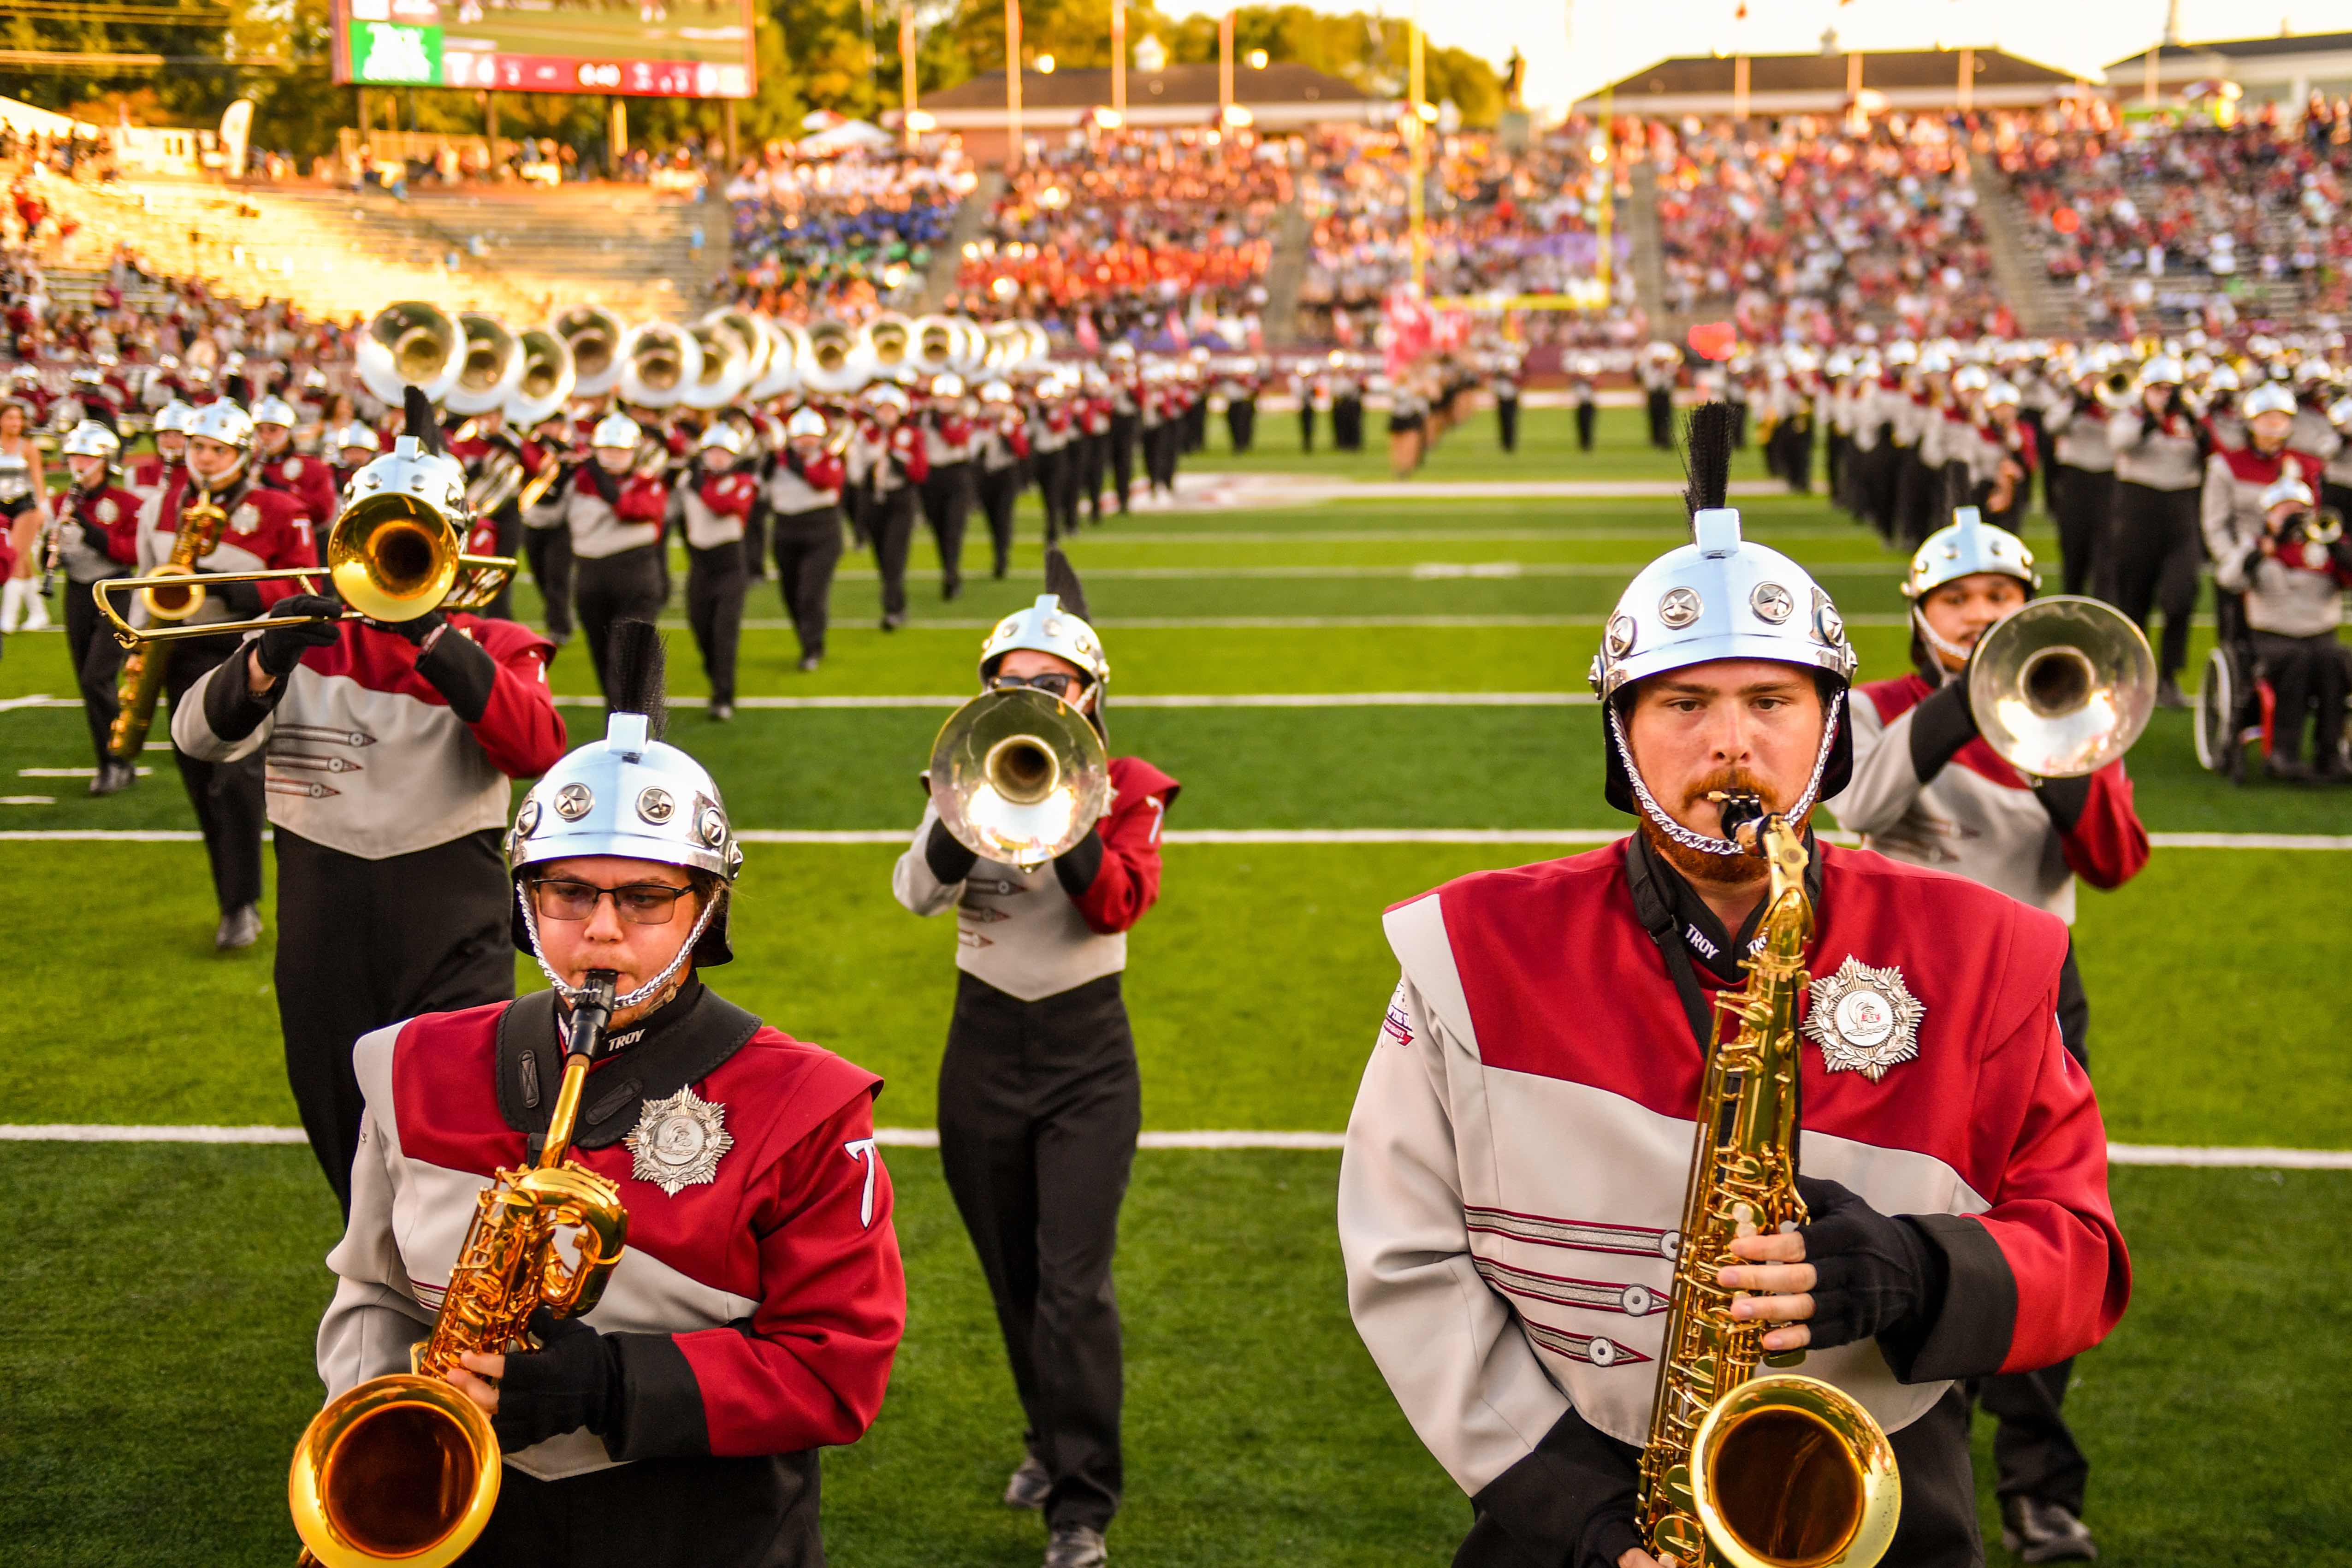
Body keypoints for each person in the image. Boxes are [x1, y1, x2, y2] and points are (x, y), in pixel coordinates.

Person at [1337, 410, 2130, 1568]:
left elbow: (2082, 1253)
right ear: (1620, 734)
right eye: (1681, 703)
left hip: (1877, 1490)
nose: (1728, 745)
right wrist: (1581, 1516)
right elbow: (1401, 1258)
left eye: (1769, 700)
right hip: (1572, 1503)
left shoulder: (1986, 948)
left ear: (1829, 730)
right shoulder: (1470, 944)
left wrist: (1915, 1271)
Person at [316, 629, 906, 1566]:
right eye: (564, 892)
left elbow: (839, 1369)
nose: (598, 928)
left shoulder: (810, 1104)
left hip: (699, 1522)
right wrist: (382, 1444)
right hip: (467, 1511)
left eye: (644, 896)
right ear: (522, 897)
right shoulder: (406, 1063)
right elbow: (374, 1288)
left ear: (707, 906)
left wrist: (613, 1383)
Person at [1828, 504, 2151, 1561]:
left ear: (2030, 610)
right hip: (1898, 998)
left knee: (2042, 1233)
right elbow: (1857, 807)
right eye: (1954, 601)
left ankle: (2038, 1484)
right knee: (1903, 1226)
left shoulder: (2077, 713)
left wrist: (2053, 742)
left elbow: (2111, 861)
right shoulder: (1877, 708)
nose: (1976, 614)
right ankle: (1898, 1464)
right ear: (1918, 617)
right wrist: (1970, 701)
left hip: (2032, 996)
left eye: (1998, 601)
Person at [173, 426, 568, 1212]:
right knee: (334, 1104)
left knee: (462, 1116)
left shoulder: (496, 642)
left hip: (452, 911)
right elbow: (198, 737)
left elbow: (538, 749)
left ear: (461, 543)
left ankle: (449, 1280)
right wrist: (263, 661)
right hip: (325, 906)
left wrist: (434, 639)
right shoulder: (298, 644)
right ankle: (375, 1272)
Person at [890, 553, 1180, 1568]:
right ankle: (1042, 1437)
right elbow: (913, 895)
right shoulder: (961, 770)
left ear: (1090, 694)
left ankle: (1082, 1500)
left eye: (1049, 687)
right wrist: (971, 814)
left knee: (1073, 1283)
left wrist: (1060, 808)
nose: (1029, 700)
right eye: (1009, 686)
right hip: (981, 1045)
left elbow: (1117, 903)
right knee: (1012, 1273)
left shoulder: (1130, 790)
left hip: (1085, 1053)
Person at [135, 399, 318, 949]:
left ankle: (242, 906)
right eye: (198, 448)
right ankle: (229, 896)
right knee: (197, 779)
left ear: (241, 454)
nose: (206, 459)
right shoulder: (163, 505)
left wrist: (231, 587)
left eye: (218, 450)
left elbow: (305, 585)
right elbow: (148, 580)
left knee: (235, 783)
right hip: (182, 651)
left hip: (248, 653)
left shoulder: (281, 507)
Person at [2212, 475, 2352, 781]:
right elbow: (2228, 579)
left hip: (2320, 635)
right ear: (2268, 515)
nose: (2293, 516)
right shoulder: (2254, 545)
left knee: (2334, 662)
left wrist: (2337, 552)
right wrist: (2263, 552)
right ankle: (2282, 753)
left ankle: (2330, 753)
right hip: (2271, 638)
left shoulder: (2324, 545)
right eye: (2284, 510)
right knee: (2295, 661)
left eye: (2298, 509)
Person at [47, 420, 143, 793]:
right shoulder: (62, 502)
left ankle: (119, 757)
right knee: (86, 683)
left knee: (97, 677)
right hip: (77, 591)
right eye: (74, 456)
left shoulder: (126, 502)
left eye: (86, 456)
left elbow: (127, 553)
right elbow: (51, 555)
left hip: (114, 590)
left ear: (104, 460)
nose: (78, 463)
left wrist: (85, 525)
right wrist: (50, 550)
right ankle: (109, 759)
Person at [2105, 358, 2206, 708]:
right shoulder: (2130, 416)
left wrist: (2191, 418)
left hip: (2181, 510)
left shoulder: (2190, 419)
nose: (2164, 395)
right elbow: (2120, 443)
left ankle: (2169, 677)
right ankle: (2131, 675)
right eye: (2158, 389)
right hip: (2138, 509)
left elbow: (2213, 450)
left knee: (2181, 594)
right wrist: (2153, 419)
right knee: (2134, 597)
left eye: (2169, 389)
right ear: (2145, 391)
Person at [557, 411, 670, 700]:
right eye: (607, 450)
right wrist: (559, 477)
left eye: (621, 451)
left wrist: (593, 470)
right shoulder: (579, 481)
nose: (614, 457)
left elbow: (629, 509)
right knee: (601, 657)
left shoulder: (649, 483)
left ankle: (628, 728)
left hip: (634, 575)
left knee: (627, 662)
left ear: (634, 452)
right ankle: (617, 720)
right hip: (589, 575)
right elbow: (543, 517)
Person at [2201, 382, 2323, 649]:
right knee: (2238, 642)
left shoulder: (2305, 465)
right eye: (2266, 419)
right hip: (2245, 557)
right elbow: (2215, 524)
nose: (2273, 427)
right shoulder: (2225, 465)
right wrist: (2233, 562)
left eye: (2280, 419)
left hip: (2290, 564)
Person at [677, 423, 758, 721]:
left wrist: (699, 485)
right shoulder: (689, 479)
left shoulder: (743, 480)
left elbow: (726, 506)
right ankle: (716, 679)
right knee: (701, 629)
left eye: (724, 453)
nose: (718, 458)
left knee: (725, 632)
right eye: (713, 452)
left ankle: (723, 695)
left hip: (729, 564)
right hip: (699, 564)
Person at [763, 405, 847, 674]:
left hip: (822, 530)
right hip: (786, 529)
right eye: (801, 436)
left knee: (811, 592)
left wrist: (791, 461)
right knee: (790, 593)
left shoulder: (830, 458)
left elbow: (824, 481)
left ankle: (812, 647)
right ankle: (807, 639)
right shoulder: (777, 459)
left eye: (811, 435)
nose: (807, 441)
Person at [846, 384, 928, 631]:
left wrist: (895, 459)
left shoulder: (910, 435)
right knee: (882, 556)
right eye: (882, 410)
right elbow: (855, 473)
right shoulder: (865, 434)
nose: (886, 415)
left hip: (900, 500)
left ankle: (893, 609)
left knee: (895, 556)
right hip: (873, 501)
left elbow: (920, 473)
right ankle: (897, 602)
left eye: (891, 410)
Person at [2042, 366, 2116, 596]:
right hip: (2075, 481)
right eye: (2088, 379)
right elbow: (2052, 426)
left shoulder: (2116, 405)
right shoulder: (2066, 404)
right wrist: (2077, 406)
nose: (2093, 384)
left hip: (2108, 480)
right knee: (2073, 551)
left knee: (2106, 556)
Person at [917, 374, 975, 600]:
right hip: (932, 477)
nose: (946, 403)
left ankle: (952, 574)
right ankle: (948, 569)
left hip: (956, 474)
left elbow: (957, 438)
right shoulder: (923, 417)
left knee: (954, 529)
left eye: (950, 398)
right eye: (942, 398)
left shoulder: (964, 416)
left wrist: (938, 422)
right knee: (939, 529)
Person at [251, 394, 338, 530]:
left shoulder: (313, 467)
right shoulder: (248, 465)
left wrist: (280, 490)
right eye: (260, 430)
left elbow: (324, 513)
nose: (265, 437)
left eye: (273, 430)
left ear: (289, 431)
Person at [973, 379, 1031, 580]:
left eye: (999, 403)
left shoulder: (1014, 421)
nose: (995, 407)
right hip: (985, 475)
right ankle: (997, 550)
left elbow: (1022, 450)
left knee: (1004, 515)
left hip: (1006, 473)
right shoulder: (979, 422)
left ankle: (1002, 557)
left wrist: (1009, 434)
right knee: (990, 516)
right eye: (992, 403)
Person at [1491, 350, 1523, 455]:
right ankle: (1505, 443)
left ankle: (1510, 443)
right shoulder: (1499, 364)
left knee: (1511, 420)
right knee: (1503, 420)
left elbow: (1519, 380)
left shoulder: (1516, 362)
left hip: (1512, 395)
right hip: (1502, 395)